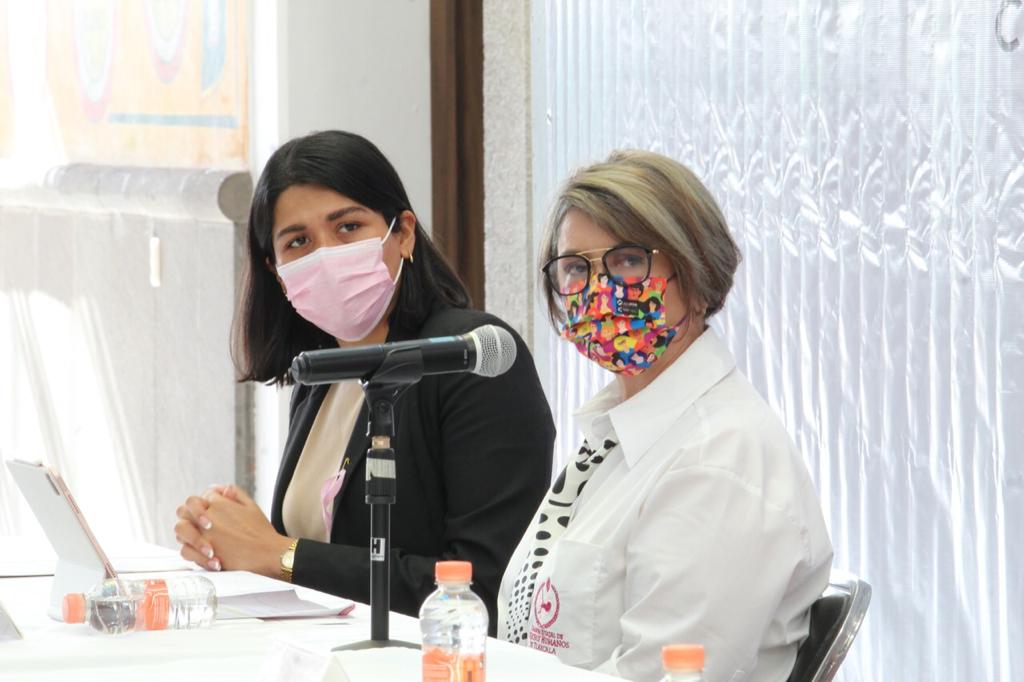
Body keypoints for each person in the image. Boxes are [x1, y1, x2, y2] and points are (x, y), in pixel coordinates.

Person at [173, 130, 555, 629]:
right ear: (276, 271)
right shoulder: (320, 372)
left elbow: (486, 588)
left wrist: (278, 554)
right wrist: (233, 538)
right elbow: (322, 552)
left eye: (348, 227)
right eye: (298, 242)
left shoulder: (468, 360)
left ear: (404, 233)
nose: (326, 254)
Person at [498, 150, 833, 680]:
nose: (600, 290)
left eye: (629, 261)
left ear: (696, 271)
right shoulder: (618, 432)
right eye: (576, 268)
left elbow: (661, 673)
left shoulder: (720, 458)